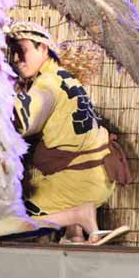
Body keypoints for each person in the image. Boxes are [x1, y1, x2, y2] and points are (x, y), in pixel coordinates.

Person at [8, 20, 131, 245]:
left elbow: (23, 122)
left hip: (79, 182)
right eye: (12, 52)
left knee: (10, 221)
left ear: (42, 48)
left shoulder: (46, 85)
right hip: (100, 175)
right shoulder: (65, 77)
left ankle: (78, 216)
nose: (16, 59)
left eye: (21, 50)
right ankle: (75, 234)